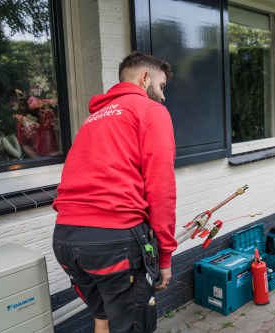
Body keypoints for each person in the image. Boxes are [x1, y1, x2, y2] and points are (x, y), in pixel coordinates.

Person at [52, 51, 177, 333]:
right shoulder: (150, 111)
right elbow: (161, 189)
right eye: (161, 86)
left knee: (104, 319)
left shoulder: (93, 120)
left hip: (66, 241)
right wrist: (165, 258)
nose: (163, 97)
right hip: (114, 242)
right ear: (144, 78)